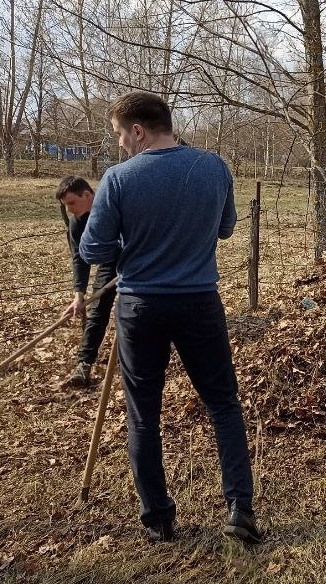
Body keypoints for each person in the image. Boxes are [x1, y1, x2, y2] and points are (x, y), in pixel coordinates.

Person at [79, 91, 260, 544]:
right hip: (199, 301)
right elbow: (225, 228)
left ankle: (158, 518)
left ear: (138, 130)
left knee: (143, 413)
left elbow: (94, 248)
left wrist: (133, 245)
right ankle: (240, 508)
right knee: (223, 403)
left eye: (120, 134)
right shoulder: (213, 167)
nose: (120, 143)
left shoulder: (118, 179)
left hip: (141, 307)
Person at [56, 176, 117, 387]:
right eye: (65, 205)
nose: (69, 209)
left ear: (87, 195)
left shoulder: (112, 205)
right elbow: (79, 258)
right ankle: (84, 364)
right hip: (109, 263)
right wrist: (78, 295)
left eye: (72, 203)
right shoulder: (77, 223)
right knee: (98, 310)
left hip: (137, 260)